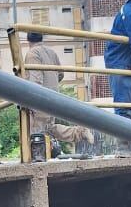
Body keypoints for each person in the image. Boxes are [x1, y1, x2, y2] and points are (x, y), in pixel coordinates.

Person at [22, 31, 90, 160]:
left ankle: (38, 159)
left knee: (36, 131)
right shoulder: (51, 52)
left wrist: (31, 101)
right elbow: (61, 74)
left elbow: (35, 80)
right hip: (53, 97)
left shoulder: (32, 54)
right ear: (42, 38)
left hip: (40, 98)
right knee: (49, 128)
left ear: (28, 41)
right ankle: (79, 132)